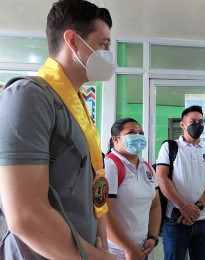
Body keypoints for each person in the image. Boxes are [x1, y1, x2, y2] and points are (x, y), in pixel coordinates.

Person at [0, 0, 116, 259]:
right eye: (103, 44)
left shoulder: (77, 105)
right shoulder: (28, 96)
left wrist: (103, 245)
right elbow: (25, 216)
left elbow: (94, 189)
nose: (108, 54)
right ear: (73, 40)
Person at [156, 105, 205, 260]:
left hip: (202, 220)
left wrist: (196, 208)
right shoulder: (169, 147)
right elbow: (162, 178)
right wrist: (183, 206)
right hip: (176, 220)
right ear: (183, 124)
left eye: (201, 121)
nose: (197, 125)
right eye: (193, 121)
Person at [105, 118, 161, 260]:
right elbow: (104, 213)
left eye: (141, 132)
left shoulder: (147, 167)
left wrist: (153, 237)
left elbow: (155, 205)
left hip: (141, 249)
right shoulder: (110, 165)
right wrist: (128, 249)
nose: (138, 136)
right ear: (115, 139)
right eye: (131, 132)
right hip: (116, 252)